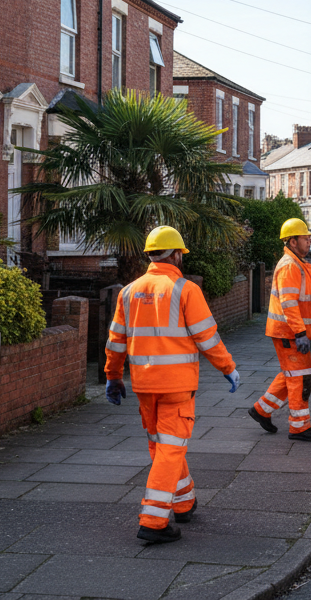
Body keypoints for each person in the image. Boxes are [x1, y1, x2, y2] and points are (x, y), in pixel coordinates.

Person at [105, 226, 241, 544]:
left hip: (143, 385)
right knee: (170, 447)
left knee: (161, 445)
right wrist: (228, 368)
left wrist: (113, 376)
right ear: (176, 254)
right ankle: (153, 520)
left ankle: (182, 501)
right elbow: (207, 337)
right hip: (176, 387)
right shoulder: (185, 289)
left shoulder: (129, 291)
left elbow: (115, 341)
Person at [247, 217, 311, 441]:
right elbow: (289, 304)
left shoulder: (297, 264)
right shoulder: (289, 266)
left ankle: (261, 410)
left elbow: (304, 301)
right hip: (289, 333)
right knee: (300, 379)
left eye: (309, 238)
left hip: (288, 332)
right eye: (305, 238)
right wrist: (299, 333)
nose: (309, 241)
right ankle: (299, 427)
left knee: (292, 375)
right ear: (292, 241)